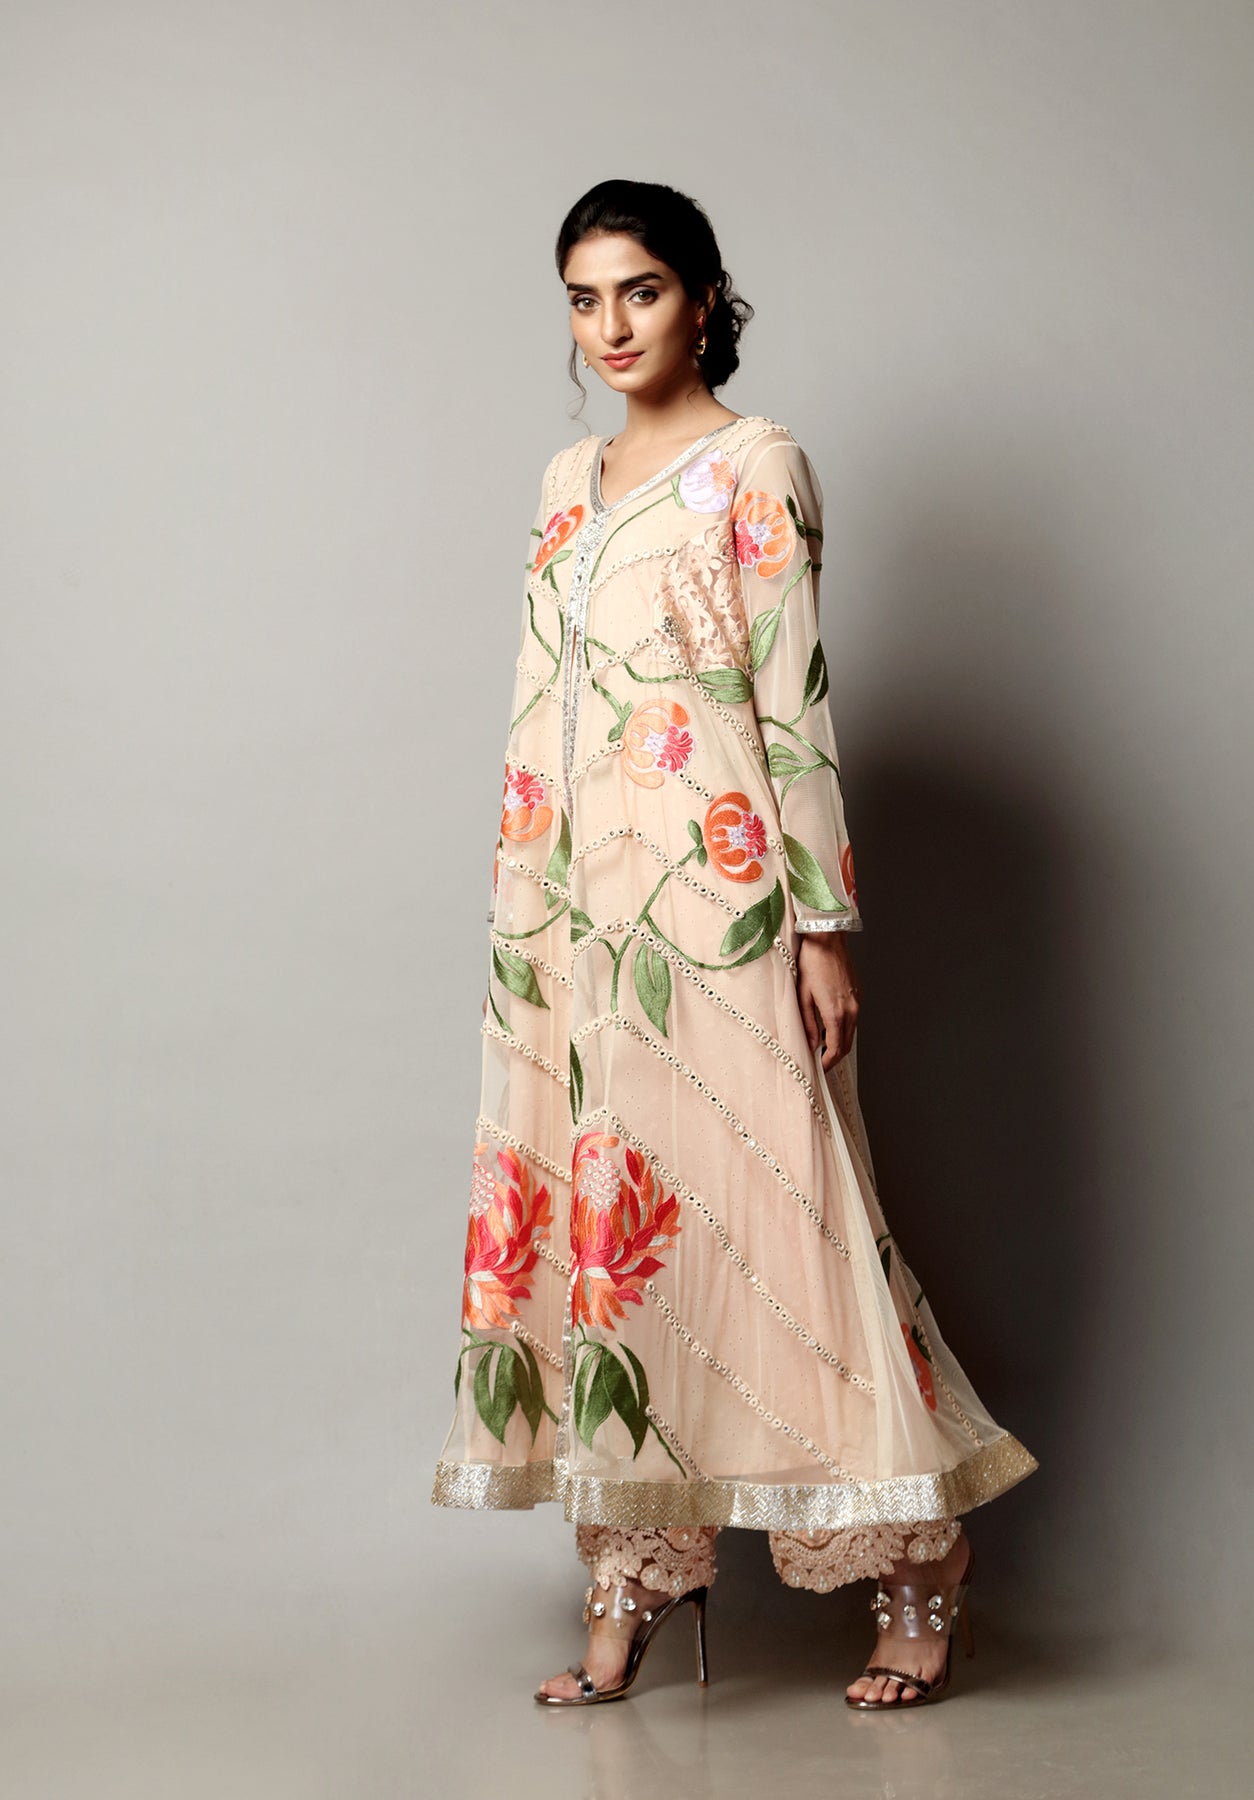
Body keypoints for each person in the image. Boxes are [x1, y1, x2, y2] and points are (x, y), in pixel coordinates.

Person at [430, 177, 1038, 1710]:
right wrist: (525, 906)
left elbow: (788, 702)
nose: (609, 325)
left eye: (638, 290)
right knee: (612, 1225)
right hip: (576, 915)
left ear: (703, 298)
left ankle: (916, 1562)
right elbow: (543, 707)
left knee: (780, 1219)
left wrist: (820, 930)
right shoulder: (566, 479)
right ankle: (637, 1567)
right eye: (582, 298)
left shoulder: (756, 466)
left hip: (720, 901)